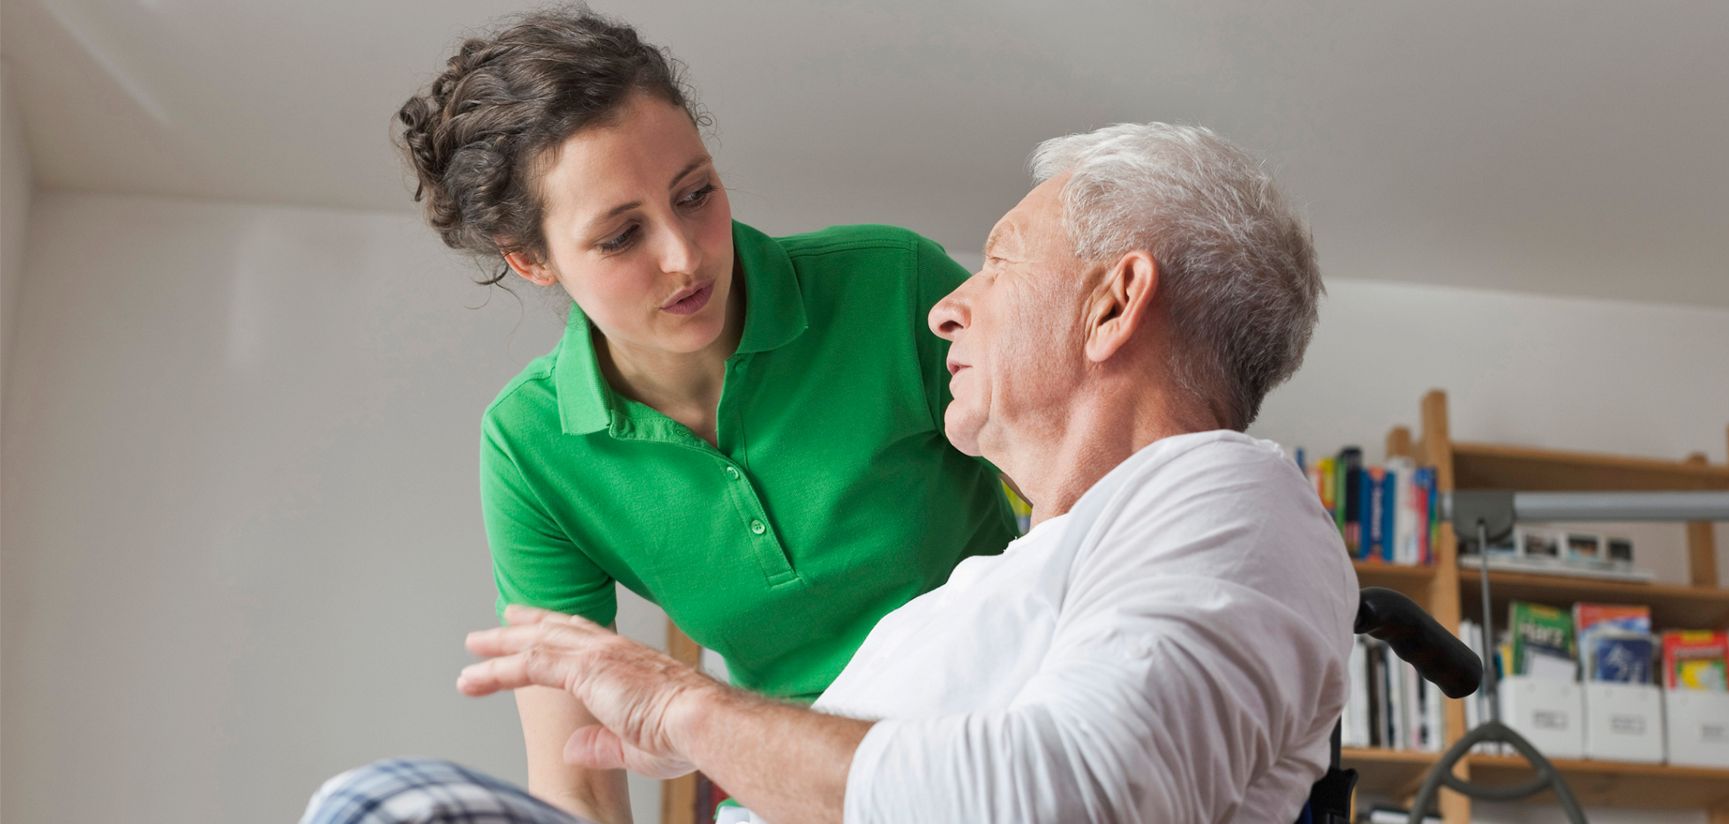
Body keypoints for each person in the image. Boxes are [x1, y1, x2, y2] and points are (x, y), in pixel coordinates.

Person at [309, 122, 1355, 824]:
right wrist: (688, 734)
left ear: (1114, 303)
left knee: (383, 805)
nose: (947, 308)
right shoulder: (998, 592)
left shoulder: (1231, 501)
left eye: (997, 262)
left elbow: (1068, 794)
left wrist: (689, 710)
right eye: (622, 233)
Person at [390, 8, 1017, 821]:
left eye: (695, 193)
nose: (685, 256)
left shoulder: (891, 286)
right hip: (795, 787)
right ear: (531, 259)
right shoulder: (530, 446)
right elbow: (576, 776)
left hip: (1001, 731)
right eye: (621, 237)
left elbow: (1086, 505)